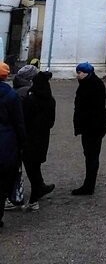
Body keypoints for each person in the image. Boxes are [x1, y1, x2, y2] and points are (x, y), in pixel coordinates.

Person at [72, 62, 106, 195]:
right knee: (90, 154)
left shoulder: (92, 85)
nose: (77, 75)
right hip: (93, 125)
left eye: (79, 72)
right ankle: (89, 183)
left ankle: (89, 186)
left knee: (91, 155)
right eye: (77, 72)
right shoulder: (89, 83)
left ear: (87, 73)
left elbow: (90, 108)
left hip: (93, 126)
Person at [21, 71, 56, 211]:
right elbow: (51, 122)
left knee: (30, 167)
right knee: (35, 165)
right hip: (43, 138)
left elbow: (24, 119)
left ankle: (34, 199)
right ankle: (40, 188)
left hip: (30, 138)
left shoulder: (31, 100)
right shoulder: (50, 100)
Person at [0, 62, 26, 230]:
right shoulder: (11, 95)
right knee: (3, 182)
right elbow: (19, 122)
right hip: (6, 143)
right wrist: (22, 143)